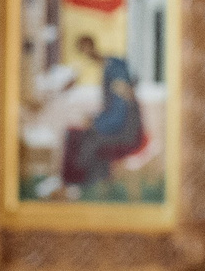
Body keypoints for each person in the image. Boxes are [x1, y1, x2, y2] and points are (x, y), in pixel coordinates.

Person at [60, 34, 146, 195]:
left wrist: (94, 122)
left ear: (92, 47)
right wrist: (94, 120)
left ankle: (74, 186)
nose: (86, 55)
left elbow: (118, 114)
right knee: (75, 134)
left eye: (86, 50)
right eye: (83, 52)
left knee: (84, 139)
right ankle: (87, 181)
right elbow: (114, 109)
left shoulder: (115, 69)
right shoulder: (110, 66)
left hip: (126, 131)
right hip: (119, 124)